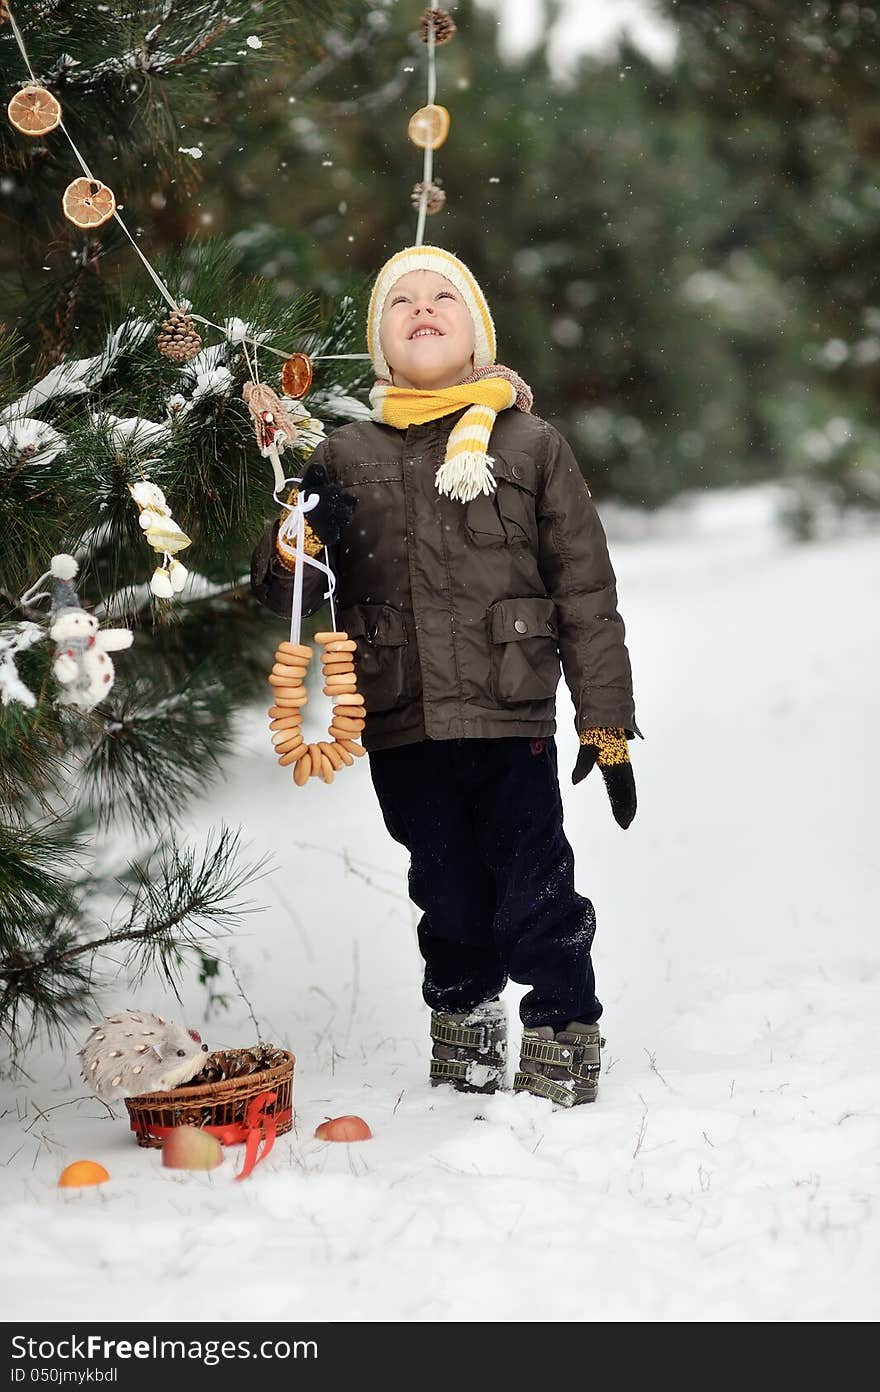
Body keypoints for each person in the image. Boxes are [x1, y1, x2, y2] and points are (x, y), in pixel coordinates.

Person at [251, 245, 643, 1108]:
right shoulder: (343, 455)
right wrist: (298, 541)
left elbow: (583, 590)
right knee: (446, 888)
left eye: (443, 298)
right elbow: (285, 592)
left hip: (511, 715)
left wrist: (603, 719)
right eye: (402, 302)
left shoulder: (530, 443)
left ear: (476, 336)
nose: (422, 308)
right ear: (381, 345)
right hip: (402, 714)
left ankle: (561, 1025)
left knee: (535, 882)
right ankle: (463, 1016)